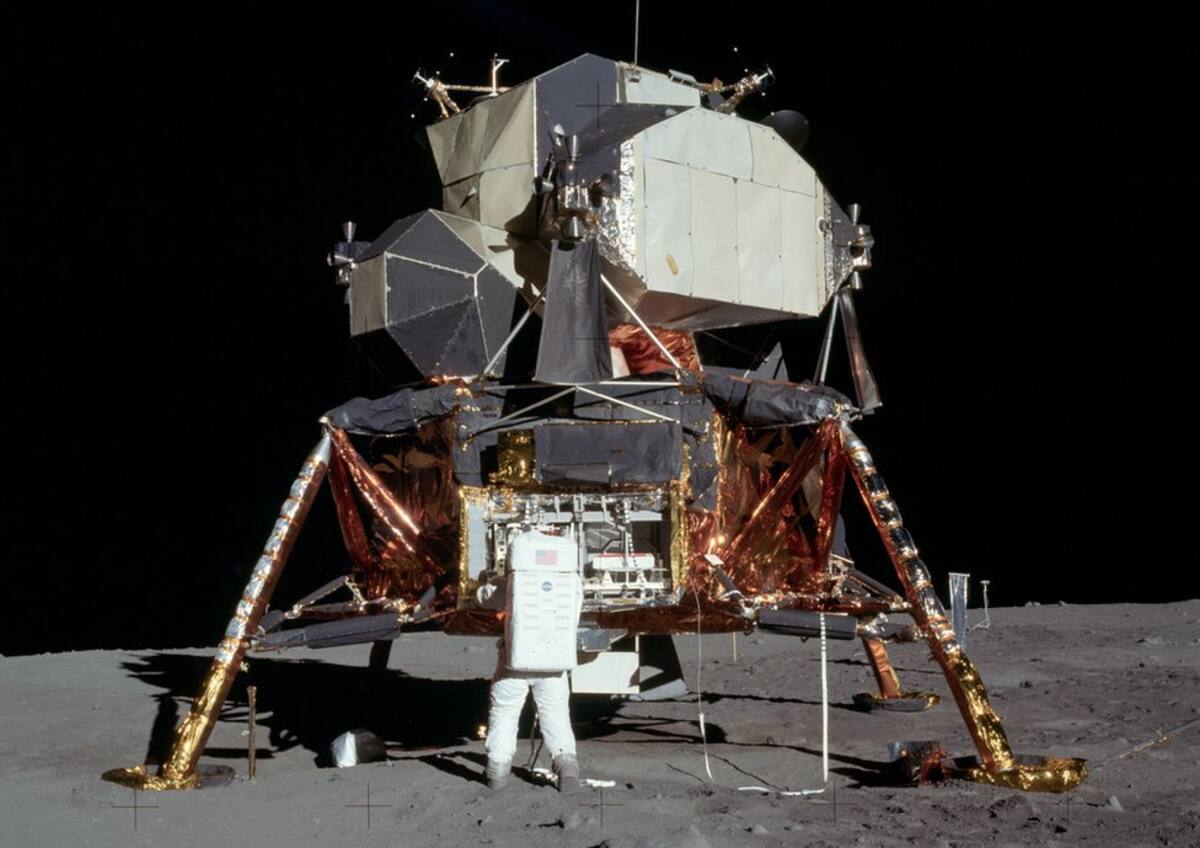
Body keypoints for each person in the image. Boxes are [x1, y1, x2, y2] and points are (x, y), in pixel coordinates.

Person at [475, 543, 582, 793]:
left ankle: (497, 772)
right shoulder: (574, 583)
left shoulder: (508, 583)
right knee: (556, 714)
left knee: (504, 713)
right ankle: (567, 769)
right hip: (554, 663)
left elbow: (482, 598)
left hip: (515, 663)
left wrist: (486, 581)